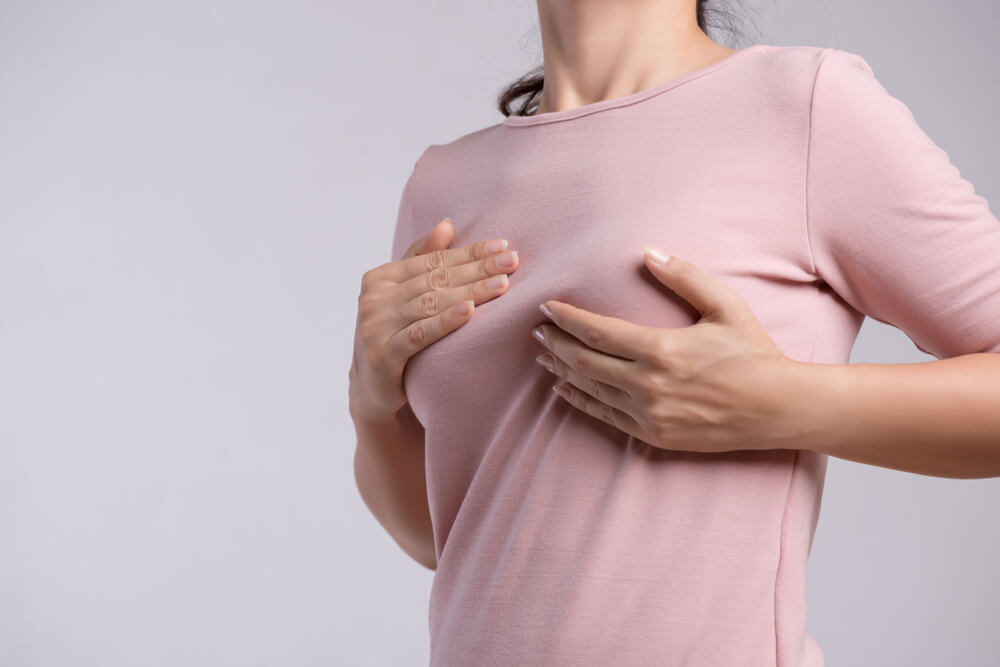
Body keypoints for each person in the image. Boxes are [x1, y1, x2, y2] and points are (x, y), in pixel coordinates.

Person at [351, 1, 1000, 665]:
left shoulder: (800, 109)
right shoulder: (439, 184)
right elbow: (456, 538)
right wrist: (372, 406)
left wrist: (780, 403)